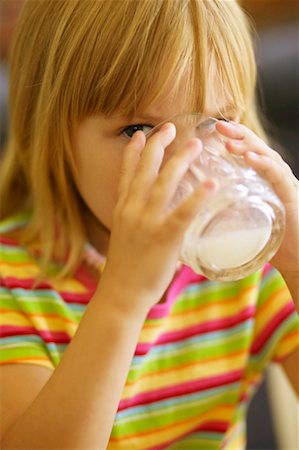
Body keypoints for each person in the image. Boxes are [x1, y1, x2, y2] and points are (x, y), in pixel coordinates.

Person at [0, 0, 298, 448]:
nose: (185, 162)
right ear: (54, 139)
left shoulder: (250, 266)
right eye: (139, 130)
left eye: (214, 121)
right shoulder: (14, 287)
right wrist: (123, 298)